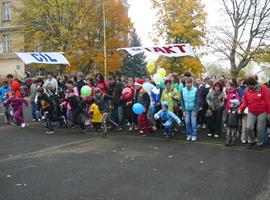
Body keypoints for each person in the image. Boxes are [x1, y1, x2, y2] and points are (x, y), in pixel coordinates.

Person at [238, 77, 270, 150]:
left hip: (262, 112)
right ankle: (252, 141)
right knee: (248, 127)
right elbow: (245, 101)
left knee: (259, 128)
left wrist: (269, 112)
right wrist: (241, 108)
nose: (247, 87)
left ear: (252, 84)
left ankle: (259, 143)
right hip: (251, 111)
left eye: (248, 85)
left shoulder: (263, 88)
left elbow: (268, 101)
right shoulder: (247, 90)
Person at [181, 77, 199, 141]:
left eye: (189, 83)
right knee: (187, 122)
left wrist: (195, 110)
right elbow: (182, 101)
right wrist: (183, 110)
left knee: (193, 123)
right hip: (186, 109)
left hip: (193, 109)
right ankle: (189, 134)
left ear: (191, 83)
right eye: (186, 83)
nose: (187, 84)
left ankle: (194, 135)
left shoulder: (195, 90)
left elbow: (197, 101)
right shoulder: (183, 90)